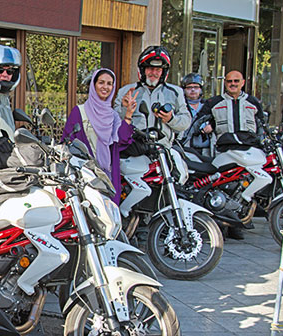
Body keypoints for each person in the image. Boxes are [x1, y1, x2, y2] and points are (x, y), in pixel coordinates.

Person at [186, 71, 269, 238]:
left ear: (243, 82)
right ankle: (219, 225)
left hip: (248, 152)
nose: (233, 84)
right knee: (223, 186)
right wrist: (207, 125)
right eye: (229, 81)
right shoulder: (214, 102)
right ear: (225, 83)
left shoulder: (253, 102)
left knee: (242, 186)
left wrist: (263, 142)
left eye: (236, 81)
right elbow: (199, 122)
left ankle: (237, 224)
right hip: (224, 152)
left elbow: (262, 125)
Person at [112, 45, 191, 217]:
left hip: (162, 151)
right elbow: (114, 120)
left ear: (164, 72)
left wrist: (171, 119)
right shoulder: (128, 91)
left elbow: (186, 121)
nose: (153, 73)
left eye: (158, 69)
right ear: (142, 70)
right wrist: (124, 108)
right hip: (135, 150)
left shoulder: (175, 92)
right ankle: (129, 218)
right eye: (150, 68)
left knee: (167, 187)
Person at [62, 68, 134, 202]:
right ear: (94, 85)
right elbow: (67, 141)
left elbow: (122, 140)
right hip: (85, 175)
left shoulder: (113, 116)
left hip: (107, 176)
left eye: (109, 83)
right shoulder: (80, 112)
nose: (105, 87)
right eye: (101, 82)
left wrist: (128, 114)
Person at [179, 73, 213, 157]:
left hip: (207, 151)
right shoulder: (180, 106)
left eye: (196, 87)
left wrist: (212, 126)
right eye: (189, 87)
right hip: (186, 149)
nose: (193, 90)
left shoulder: (208, 106)